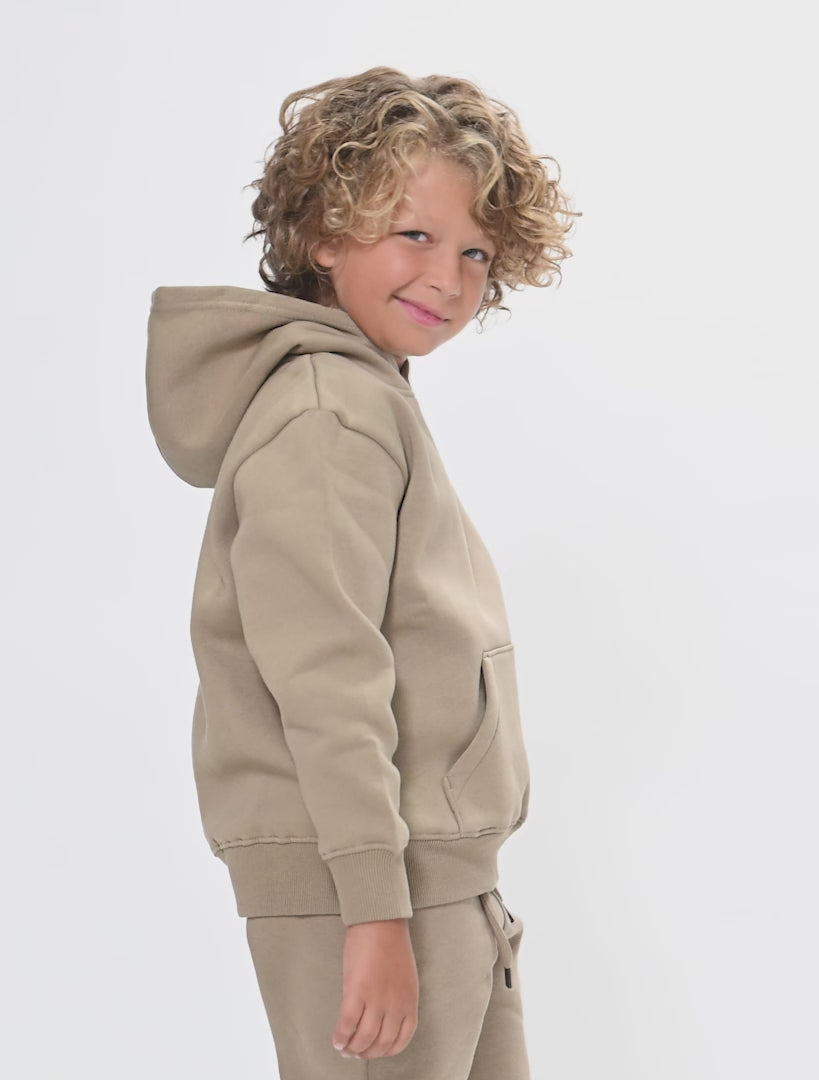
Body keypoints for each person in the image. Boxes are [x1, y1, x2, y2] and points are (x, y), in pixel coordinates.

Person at [145, 67, 576, 1079]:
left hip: (433, 877)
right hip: (376, 891)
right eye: (414, 235)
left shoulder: (366, 397)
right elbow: (326, 675)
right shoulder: (326, 414)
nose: (449, 278)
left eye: (476, 251)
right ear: (324, 232)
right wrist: (374, 910)